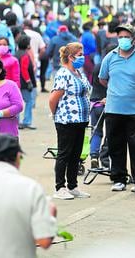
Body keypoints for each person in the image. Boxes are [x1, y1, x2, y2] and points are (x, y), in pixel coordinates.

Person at [99, 24, 135, 191]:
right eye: (120, 36)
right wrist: (117, 89)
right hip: (113, 109)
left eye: (126, 36)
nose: (123, 39)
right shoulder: (110, 57)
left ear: (133, 38)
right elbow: (103, 79)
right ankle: (119, 178)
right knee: (115, 145)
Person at [49, 42, 91, 200]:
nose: (82, 58)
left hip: (81, 120)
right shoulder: (63, 74)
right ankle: (60, 187)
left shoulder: (79, 72)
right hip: (66, 120)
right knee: (64, 154)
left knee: (76, 154)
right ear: (71, 57)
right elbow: (53, 98)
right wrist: (56, 114)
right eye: (80, 55)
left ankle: (73, 186)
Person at [16, 35, 37, 130]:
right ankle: (27, 121)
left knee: (17, 102)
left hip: (16, 82)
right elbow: (24, 70)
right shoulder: (25, 55)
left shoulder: (16, 53)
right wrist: (29, 82)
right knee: (29, 101)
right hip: (24, 83)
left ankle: (17, 122)